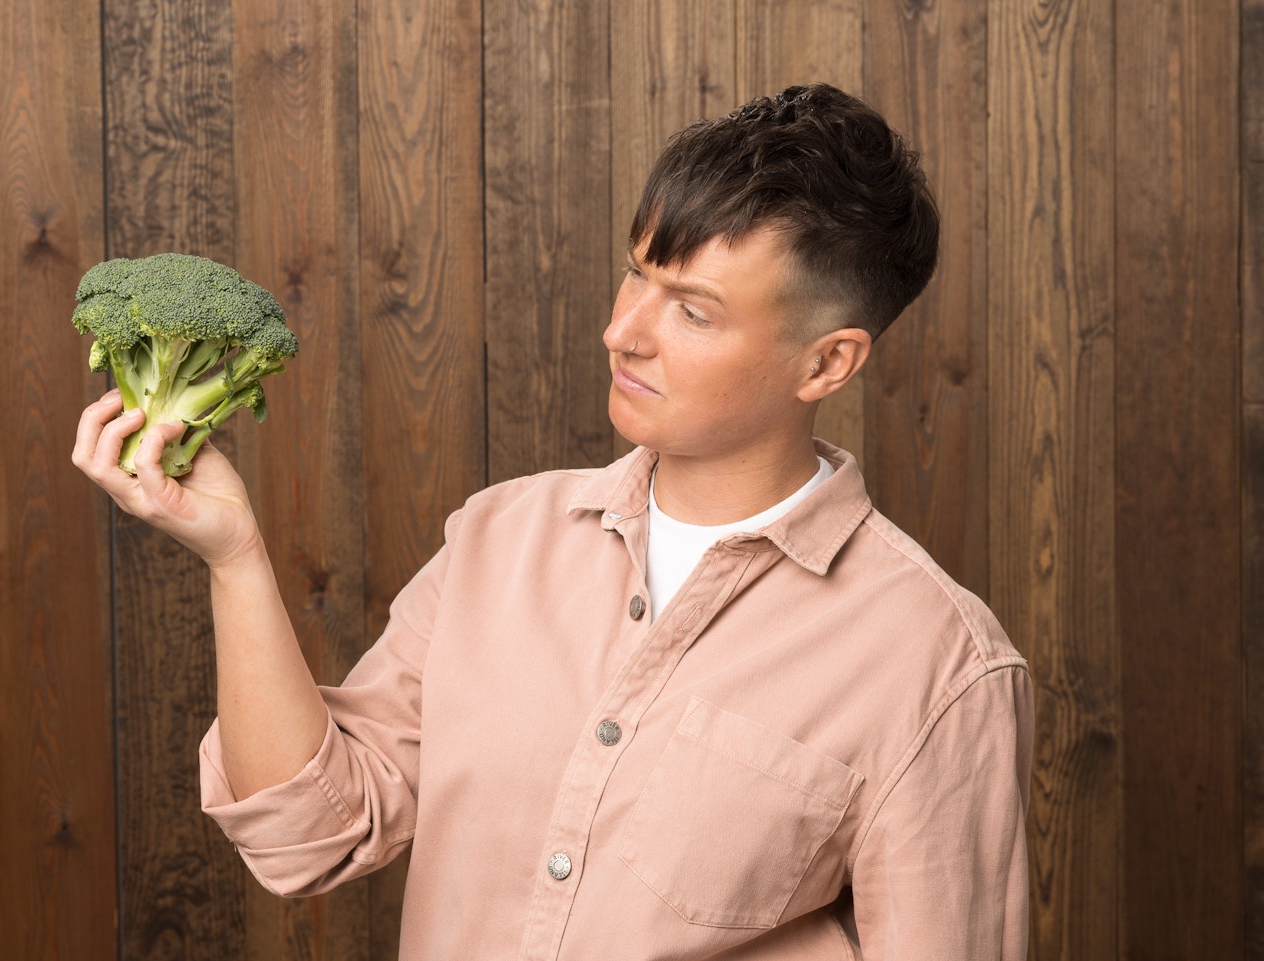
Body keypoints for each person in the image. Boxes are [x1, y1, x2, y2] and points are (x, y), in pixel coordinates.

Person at [74, 83, 1032, 960]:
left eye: (693, 312)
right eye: (637, 276)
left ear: (827, 364)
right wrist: (235, 557)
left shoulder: (936, 664)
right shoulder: (498, 538)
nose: (626, 330)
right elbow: (313, 833)